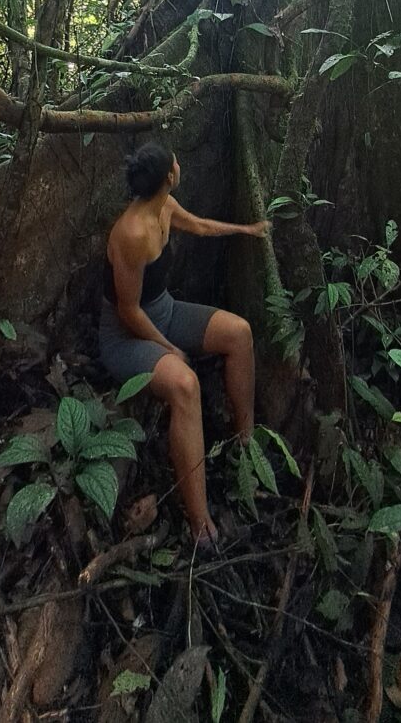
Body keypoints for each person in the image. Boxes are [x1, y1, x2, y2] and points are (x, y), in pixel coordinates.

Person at [100, 142, 269, 547]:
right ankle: (200, 524)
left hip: (166, 311)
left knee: (240, 333)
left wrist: (248, 230)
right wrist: (169, 348)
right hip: (126, 338)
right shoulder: (131, 233)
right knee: (185, 385)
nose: (180, 164)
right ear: (169, 177)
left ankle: (245, 442)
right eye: (175, 163)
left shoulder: (165, 206)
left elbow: (201, 226)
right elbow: (128, 312)